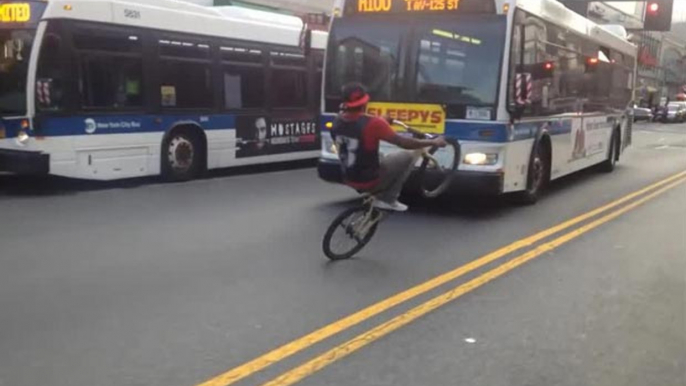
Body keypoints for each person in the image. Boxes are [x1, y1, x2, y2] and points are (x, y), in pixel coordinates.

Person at [331, 83, 447, 212]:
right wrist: (433, 142)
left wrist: (382, 121)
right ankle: (388, 199)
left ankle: (377, 196)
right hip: (370, 181)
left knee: (379, 154)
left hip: (349, 177)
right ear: (365, 102)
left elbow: (357, 125)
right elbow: (404, 143)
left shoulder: (337, 121)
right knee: (408, 156)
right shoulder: (374, 124)